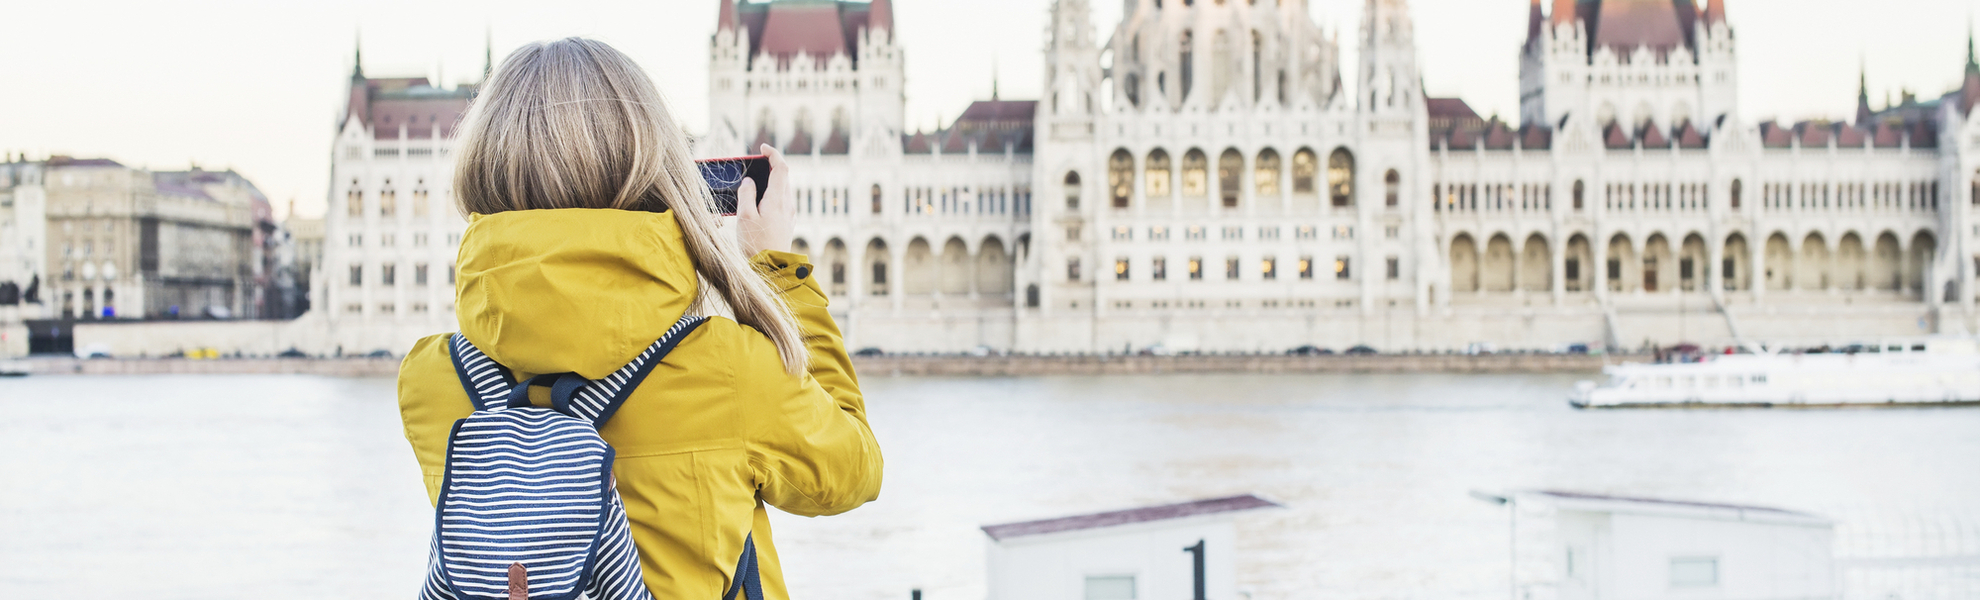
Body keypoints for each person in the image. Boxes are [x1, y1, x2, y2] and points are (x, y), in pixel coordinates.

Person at [395, 37, 882, 599]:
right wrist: (775, 267)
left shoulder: (429, 382)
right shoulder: (728, 370)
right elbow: (855, 469)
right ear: (653, 167)